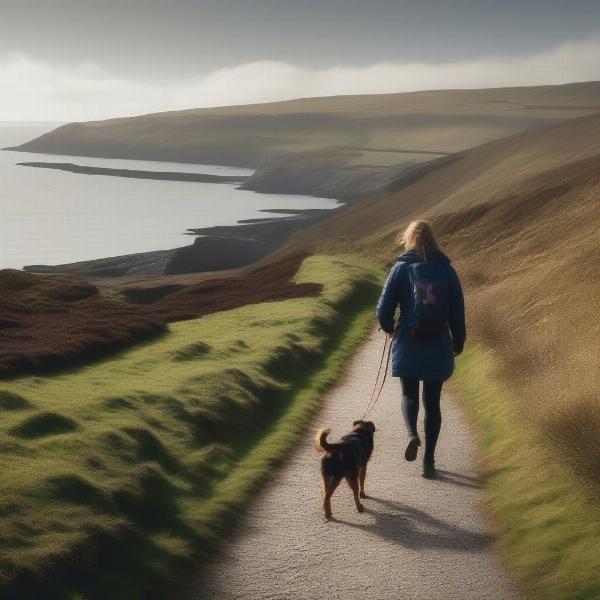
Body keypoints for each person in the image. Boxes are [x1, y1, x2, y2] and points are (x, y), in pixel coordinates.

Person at [376, 220, 466, 479]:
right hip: (438, 343)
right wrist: (458, 341)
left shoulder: (400, 268)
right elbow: (457, 311)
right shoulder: (447, 271)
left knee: (409, 395)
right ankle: (429, 461)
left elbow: (384, 309)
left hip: (409, 340)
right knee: (433, 402)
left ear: (409, 239)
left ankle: (412, 434)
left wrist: (389, 328)